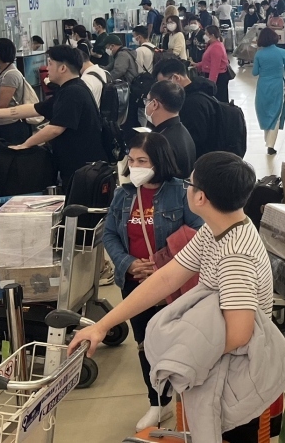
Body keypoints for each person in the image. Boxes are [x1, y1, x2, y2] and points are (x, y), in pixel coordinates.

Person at [69, 152, 280, 443]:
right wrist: (102, 325)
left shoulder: (235, 256)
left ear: (201, 198)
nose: (186, 188)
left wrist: (183, 357)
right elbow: (167, 277)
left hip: (235, 380)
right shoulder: (216, 230)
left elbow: (240, 333)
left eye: (189, 183)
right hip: (217, 366)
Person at [101, 133, 204, 431]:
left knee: (181, 343)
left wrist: (164, 264)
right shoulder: (123, 195)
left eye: (142, 161)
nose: (135, 166)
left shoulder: (182, 193)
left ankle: (191, 402)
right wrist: (128, 263)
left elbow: (199, 234)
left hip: (174, 285)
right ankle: (158, 404)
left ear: (159, 161)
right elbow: (109, 234)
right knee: (145, 344)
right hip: (134, 283)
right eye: (131, 160)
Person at [0, 45, 103, 191]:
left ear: (62, 68)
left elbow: (55, 128)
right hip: (73, 164)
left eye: (50, 63)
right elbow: (34, 108)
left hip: (82, 167)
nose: (47, 68)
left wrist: (25, 144)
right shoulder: (68, 89)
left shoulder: (73, 92)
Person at [153, 59, 222, 160]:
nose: (161, 89)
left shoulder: (192, 103)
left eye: (163, 84)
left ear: (176, 78)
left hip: (202, 162)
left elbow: (192, 140)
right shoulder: (200, 91)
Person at [252, 27, 285, 156]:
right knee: (276, 113)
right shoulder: (282, 52)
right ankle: (271, 145)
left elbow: (255, 73)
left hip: (263, 85)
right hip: (277, 85)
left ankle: (267, 141)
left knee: (265, 112)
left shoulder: (259, 54)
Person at [0, 38, 33, 145]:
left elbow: (2, 104)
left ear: (0, 52)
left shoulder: (11, 74)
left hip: (11, 126)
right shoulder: (0, 70)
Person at [144, 81, 197, 178]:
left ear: (155, 104)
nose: (146, 104)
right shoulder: (183, 132)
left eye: (147, 100)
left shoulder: (162, 141)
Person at [195, 25, 231, 103]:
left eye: (206, 34)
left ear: (212, 35)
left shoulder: (216, 47)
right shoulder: (212, 45)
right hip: (215, 76)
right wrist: (197, 65)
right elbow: (208, 61)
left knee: (219, 100)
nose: (204, 36)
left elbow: (215, 67)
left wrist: (211, 84)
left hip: (218, 78)